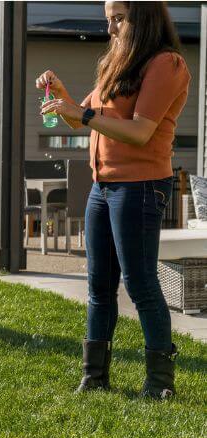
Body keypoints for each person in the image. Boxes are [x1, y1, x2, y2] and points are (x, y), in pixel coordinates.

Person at [36, 1, 190, 398]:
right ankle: (95, 377)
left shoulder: (166, 64)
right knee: (98, 285)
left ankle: (159, 384)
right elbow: (80, 115)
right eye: (109, 21)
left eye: (119, 19)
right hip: (103, 187)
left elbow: (139, 131)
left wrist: (82, 115)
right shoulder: (115, 63)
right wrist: (62, 95)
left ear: (144, 16)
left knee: (139, 284)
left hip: (140, 186)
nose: (112, 29)